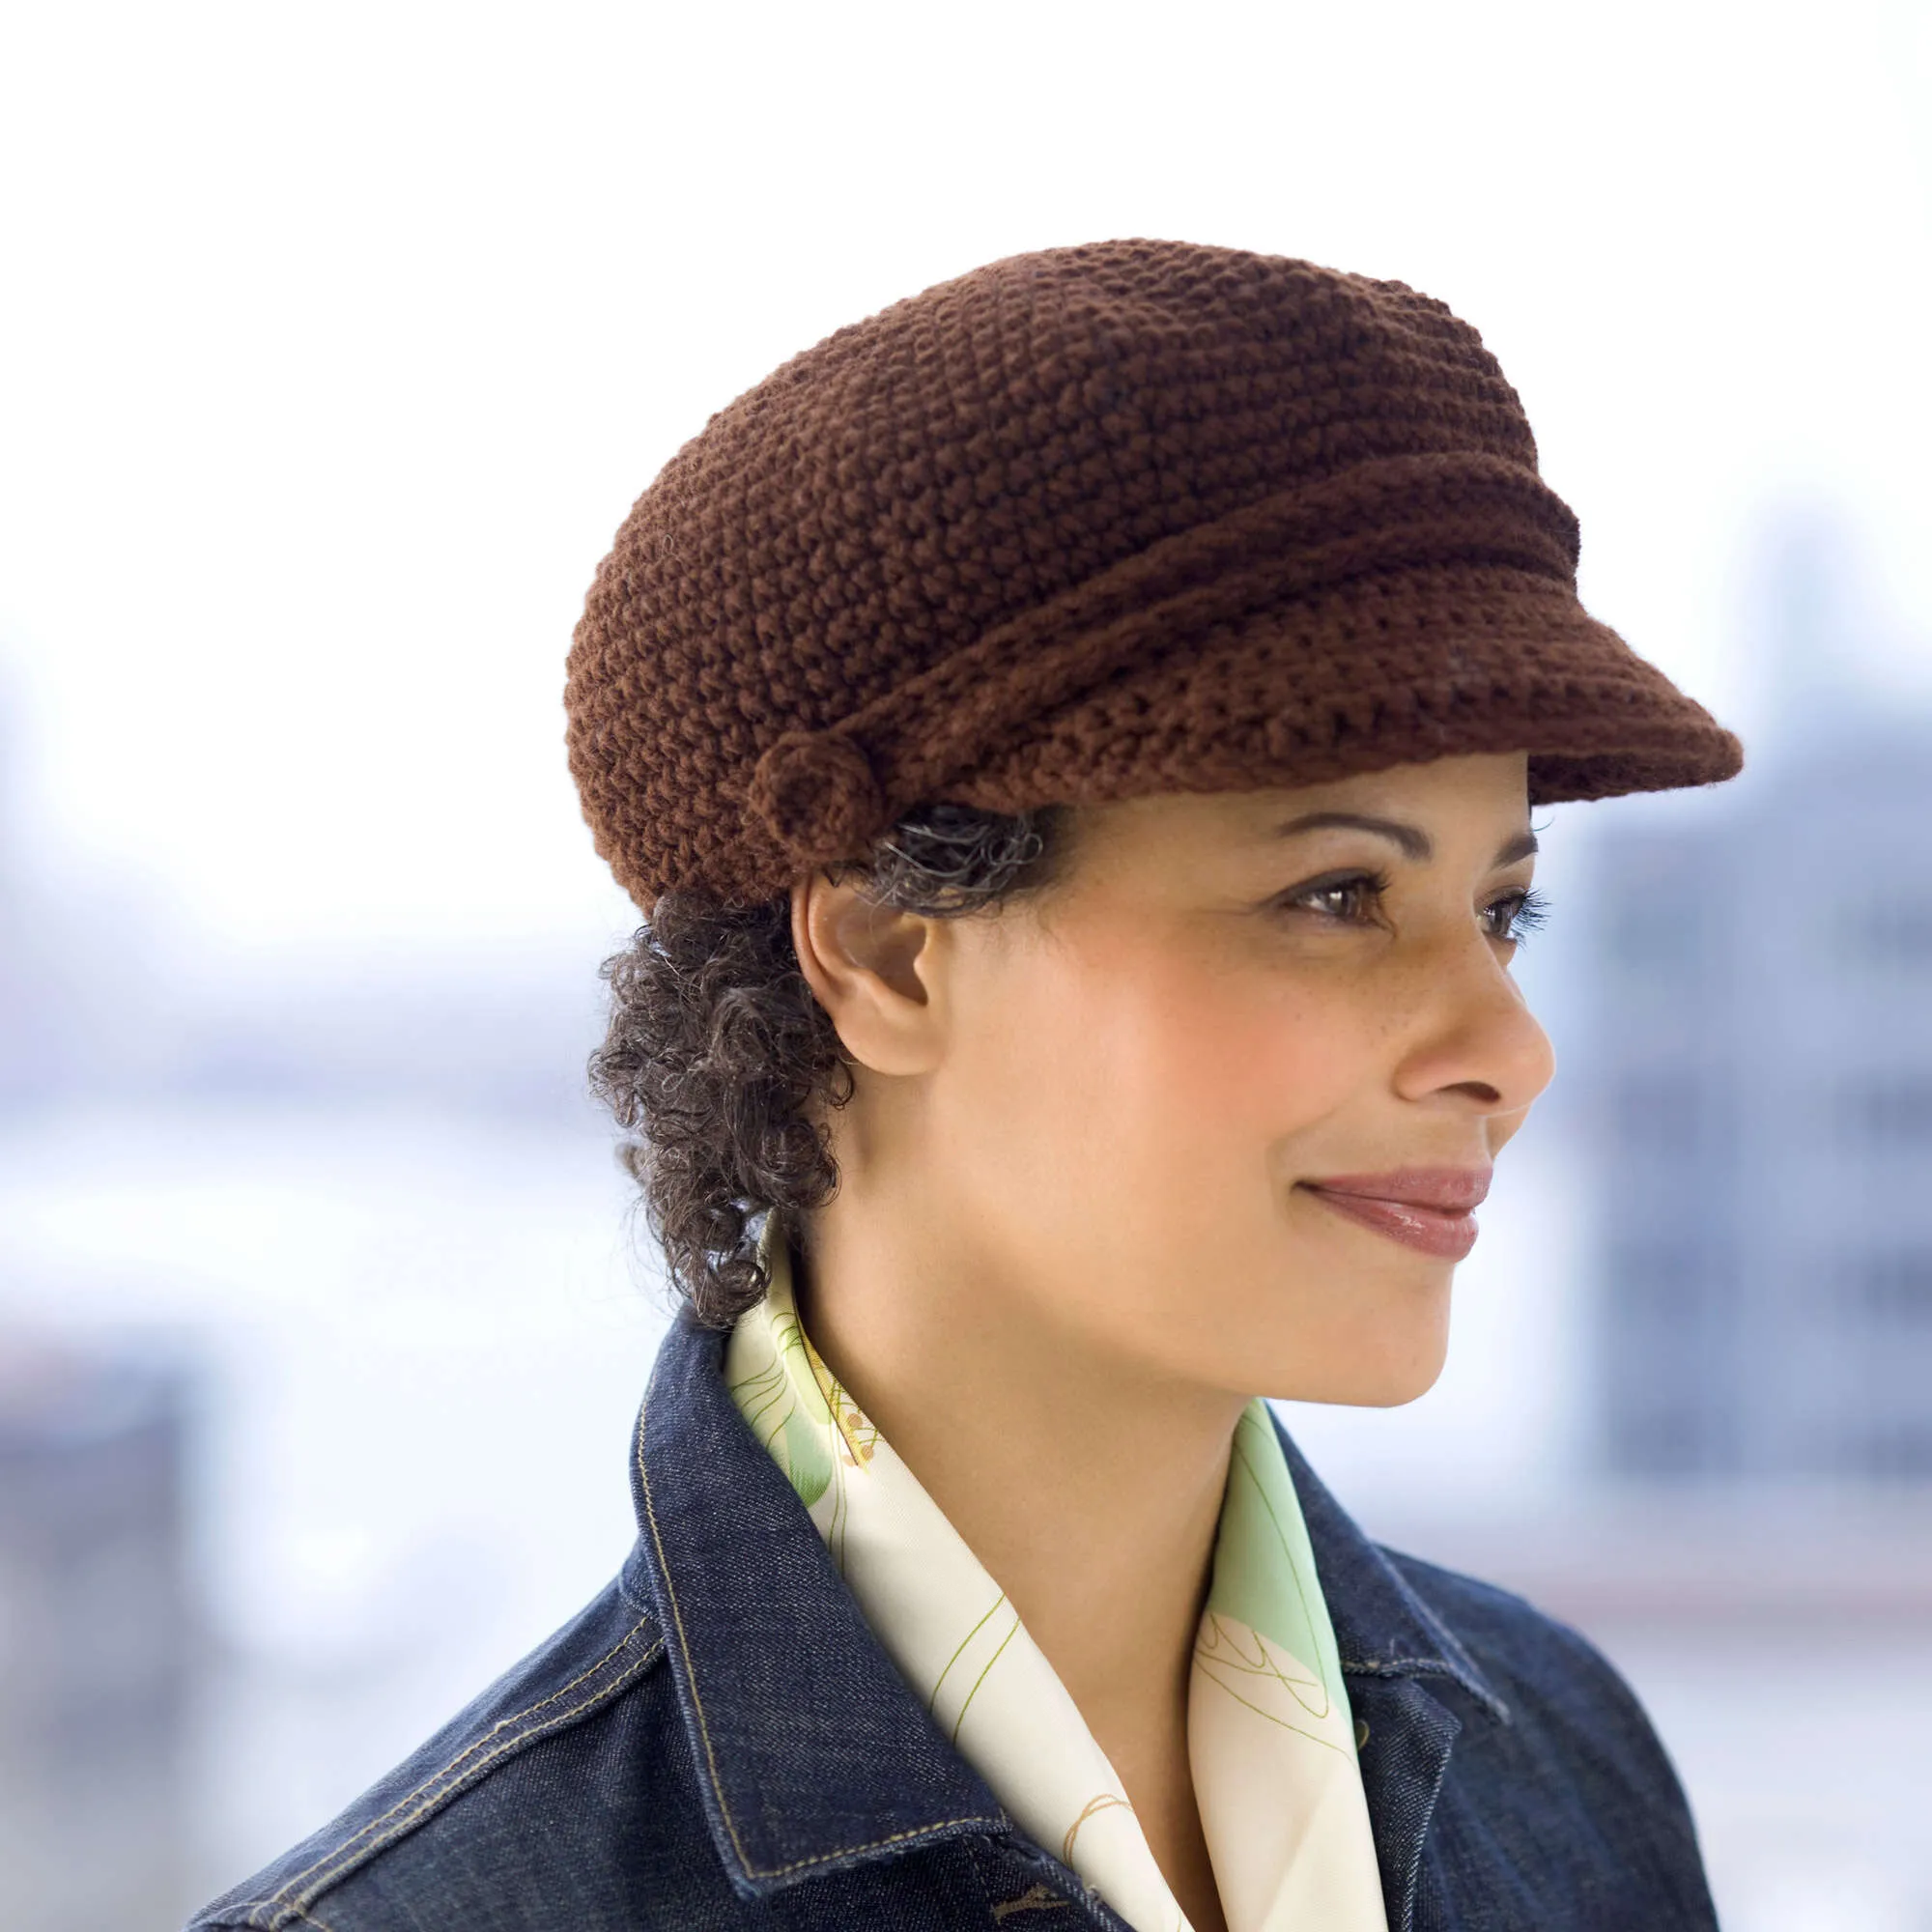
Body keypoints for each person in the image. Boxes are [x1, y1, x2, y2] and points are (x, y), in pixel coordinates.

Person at [187, 240, 1742, 1932]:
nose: (1508, 1054)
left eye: (1501, 911)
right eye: (1337, 897)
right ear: (885, 951)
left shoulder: (1569, 1775)